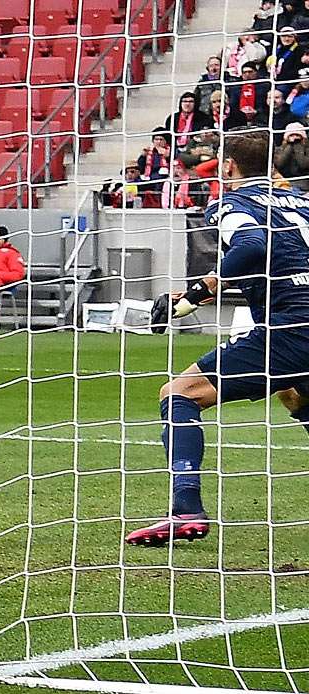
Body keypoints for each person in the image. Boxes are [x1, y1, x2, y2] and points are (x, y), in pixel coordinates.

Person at [129, 131, 309, 547]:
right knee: (296, 396)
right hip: (295, 323)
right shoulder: (303, 201)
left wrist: (198, 292)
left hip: (292, 326)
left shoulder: (231, 204)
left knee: (180, 392)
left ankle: (185, 509)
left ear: (228, 166)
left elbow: (250, 244)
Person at [276, 121, 309, 188]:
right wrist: (289, 147)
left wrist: (298, 146)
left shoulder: (307, 150)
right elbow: (279, 163)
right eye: (291, 135)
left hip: (304, 181)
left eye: (297, 135)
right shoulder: (280, 149)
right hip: (284, 180)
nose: (294, 138)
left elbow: (303, 164)